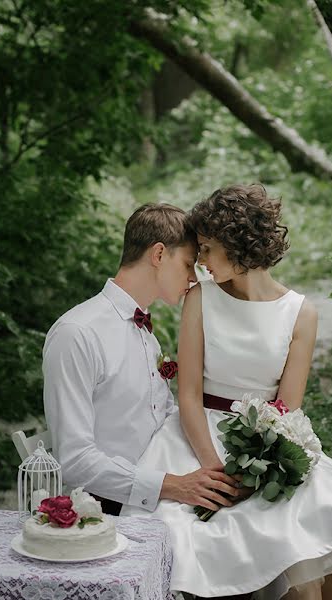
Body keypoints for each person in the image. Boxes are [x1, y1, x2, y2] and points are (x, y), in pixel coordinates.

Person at [120, 184, 332, 600]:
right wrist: (217, 472)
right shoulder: (200, 299)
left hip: (265, 445)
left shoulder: (300, 313)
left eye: (207, 249)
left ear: (236, 243)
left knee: (329, 545)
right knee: (198, 538)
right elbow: (187, 395)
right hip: (196, 438)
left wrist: (255, 468)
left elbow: (286, 409)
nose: (201, 262)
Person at [43, 203, 244, 519]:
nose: (193, 278)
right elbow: (75, 461)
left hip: (163, 484)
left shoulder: (146, 333)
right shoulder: (77, 333)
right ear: (159, 254)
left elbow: (161, 419)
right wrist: (173, 485)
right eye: (189, 264)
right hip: (110, 506)